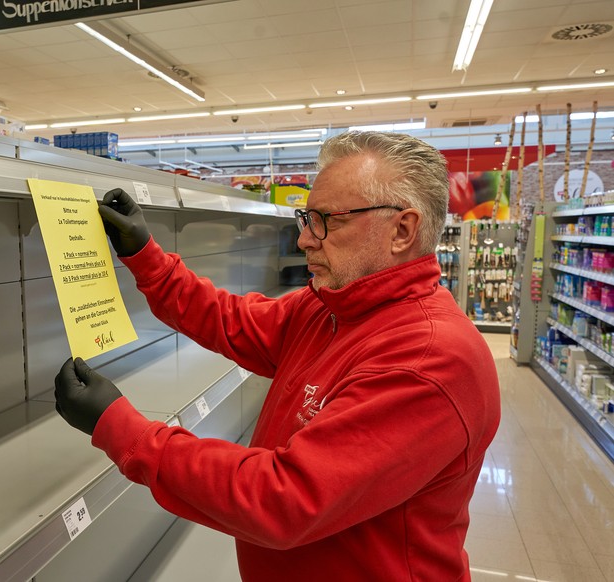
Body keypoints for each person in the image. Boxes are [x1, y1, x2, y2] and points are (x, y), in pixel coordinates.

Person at [54, 131, 501, 581]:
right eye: (307, 217)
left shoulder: (428, 360)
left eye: (328, 220)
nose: (306, 239)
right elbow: (233, 321)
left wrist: (121, 429)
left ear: (402, 230)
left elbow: (283, 500)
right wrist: (145, 256)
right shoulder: (332, 305)